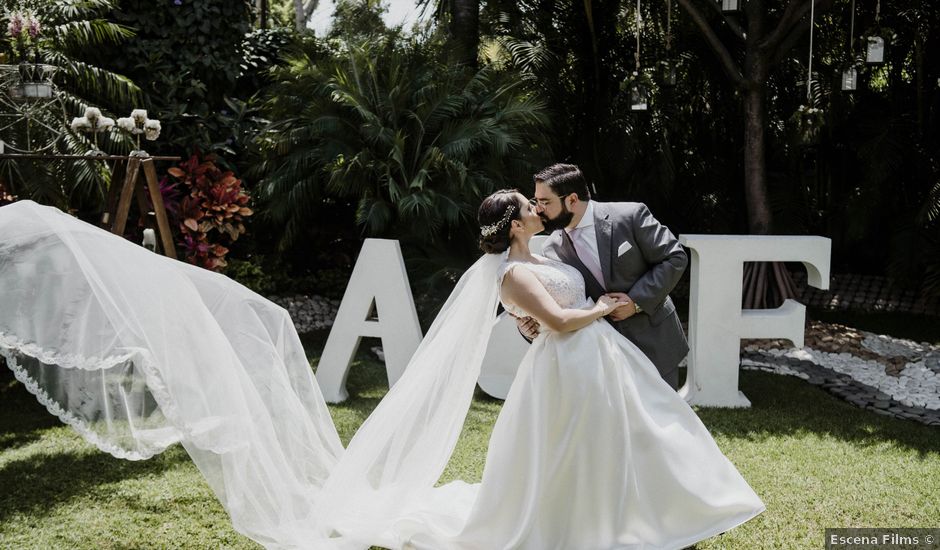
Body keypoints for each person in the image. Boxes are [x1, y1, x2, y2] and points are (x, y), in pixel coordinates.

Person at [0, 198, 763, 549]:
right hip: (573, 365)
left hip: (594, 369)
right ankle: (582, 524)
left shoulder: (544, 256)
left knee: (638, 439)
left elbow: (544, 307)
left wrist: (564, 310)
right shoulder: (508, 270)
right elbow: (554, 320)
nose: (539, 212)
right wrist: (608, 308)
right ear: (512, 226)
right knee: (562, 460)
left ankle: (656, 506)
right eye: (528, 212)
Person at [518, 163, 689, 389]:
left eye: (545, 202)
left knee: (666, 420)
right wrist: (529, 329)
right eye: (536, 201)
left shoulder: (630, 215)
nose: (538, 209)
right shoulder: (552, 249)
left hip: (653, 339)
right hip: (602, 354)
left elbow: (674, 257)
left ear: (571, 200)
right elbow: (560, 306)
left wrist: (636, 302)